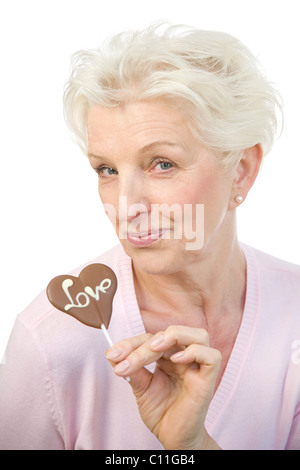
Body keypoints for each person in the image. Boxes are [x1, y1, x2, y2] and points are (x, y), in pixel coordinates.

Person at [1, 22, 300, 451]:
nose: (125, 206)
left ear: (242, 170)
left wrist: (193, 447)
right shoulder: (52, 343)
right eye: (107, 170)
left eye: (162, 164)